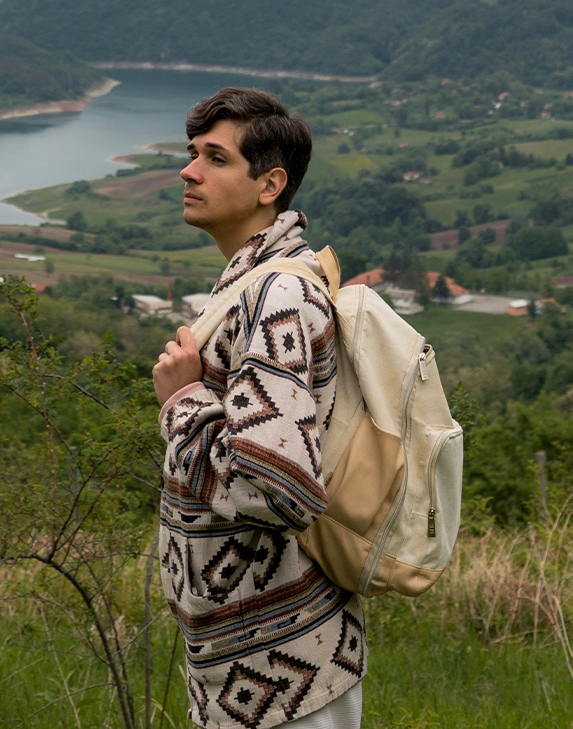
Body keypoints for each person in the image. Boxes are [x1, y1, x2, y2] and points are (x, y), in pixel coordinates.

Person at [153, 87, 365, 729]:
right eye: (192, 154)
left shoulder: (279, 296)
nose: (188, 171)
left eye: (215, 158)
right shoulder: (255, 284)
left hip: (283, 676)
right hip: (253, 667)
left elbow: (276, 491)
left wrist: (184, 402)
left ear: (270, 183)